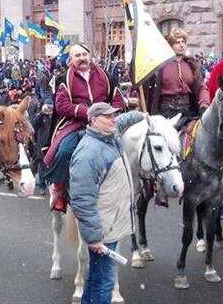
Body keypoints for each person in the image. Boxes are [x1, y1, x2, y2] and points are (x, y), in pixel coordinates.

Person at [70, 103, 144, 304]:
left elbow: (123, 121)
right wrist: (94, 238)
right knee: (104, 282)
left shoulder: (108, 137)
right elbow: (82, 199)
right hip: (103, 228)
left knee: (97, 278)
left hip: (110, 223)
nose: (113, 119)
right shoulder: (88, 152)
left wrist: (142, 115)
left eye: (114, 116)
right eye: (108, 117)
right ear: (93, 120)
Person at [42, 43, 125, 212]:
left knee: (127, 148)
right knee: (64, 151)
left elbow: (118, 100)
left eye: (84, 54)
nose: (82, 58)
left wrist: (106, 114)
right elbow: (62, 106)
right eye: (77, 55)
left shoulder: (106, 76)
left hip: (104, 122)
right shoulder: (64, 79)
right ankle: (59, 188)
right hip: (76, 122)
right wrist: (87, 113)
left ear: (90, 56)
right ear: (71, 59)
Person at [146, 28, 210, 122]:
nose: (181, 45)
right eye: (177, 42)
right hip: (165, 114)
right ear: (170, 46)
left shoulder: (191, 65)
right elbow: (149, 91)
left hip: (188, 113)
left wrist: (204, 103)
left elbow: (201, 87)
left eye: (183, 42)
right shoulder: (160, 66)